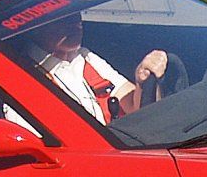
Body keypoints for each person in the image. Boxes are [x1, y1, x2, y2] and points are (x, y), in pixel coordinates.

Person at [31, 11, 166, 124]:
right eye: (60, 18)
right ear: (36, 27)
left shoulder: (86, 57)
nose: (74, 23)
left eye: (74, 14)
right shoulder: (28, 76)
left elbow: (133, 106)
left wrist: (143, 81)